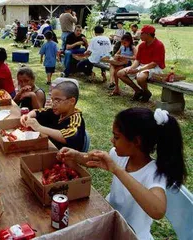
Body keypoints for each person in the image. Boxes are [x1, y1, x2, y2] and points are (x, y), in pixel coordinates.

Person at [59, 107, 187, 239]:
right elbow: (92, 161)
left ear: (137, 141)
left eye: (116, 137)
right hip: (110, 223)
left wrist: (116, 170)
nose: (112, 140)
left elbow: (158, 211)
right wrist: (77, 155)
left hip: (132, 235)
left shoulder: (154, 172)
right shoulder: (119, 155)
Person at [21, 79, 85, 151]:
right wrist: (28, 116)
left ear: (71, 101)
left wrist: (39, 128)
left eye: (57, 100)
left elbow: (68, 136)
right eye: (52, 99)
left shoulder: (76, 119)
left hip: (64, 158)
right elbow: (38, 111)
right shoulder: (56, 111)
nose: (53, 104)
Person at [117, 25, 165, 102]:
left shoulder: (159, 45)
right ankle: (138, 90)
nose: (140, 35)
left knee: (140, 78)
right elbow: (137, 60)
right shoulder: (142, 45)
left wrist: (138, 70)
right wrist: (132, 68)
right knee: (120, 73)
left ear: (148, 34)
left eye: (142, 33)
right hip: (142, 66)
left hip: (154, 67)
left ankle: (146, 92)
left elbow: (154, 64)